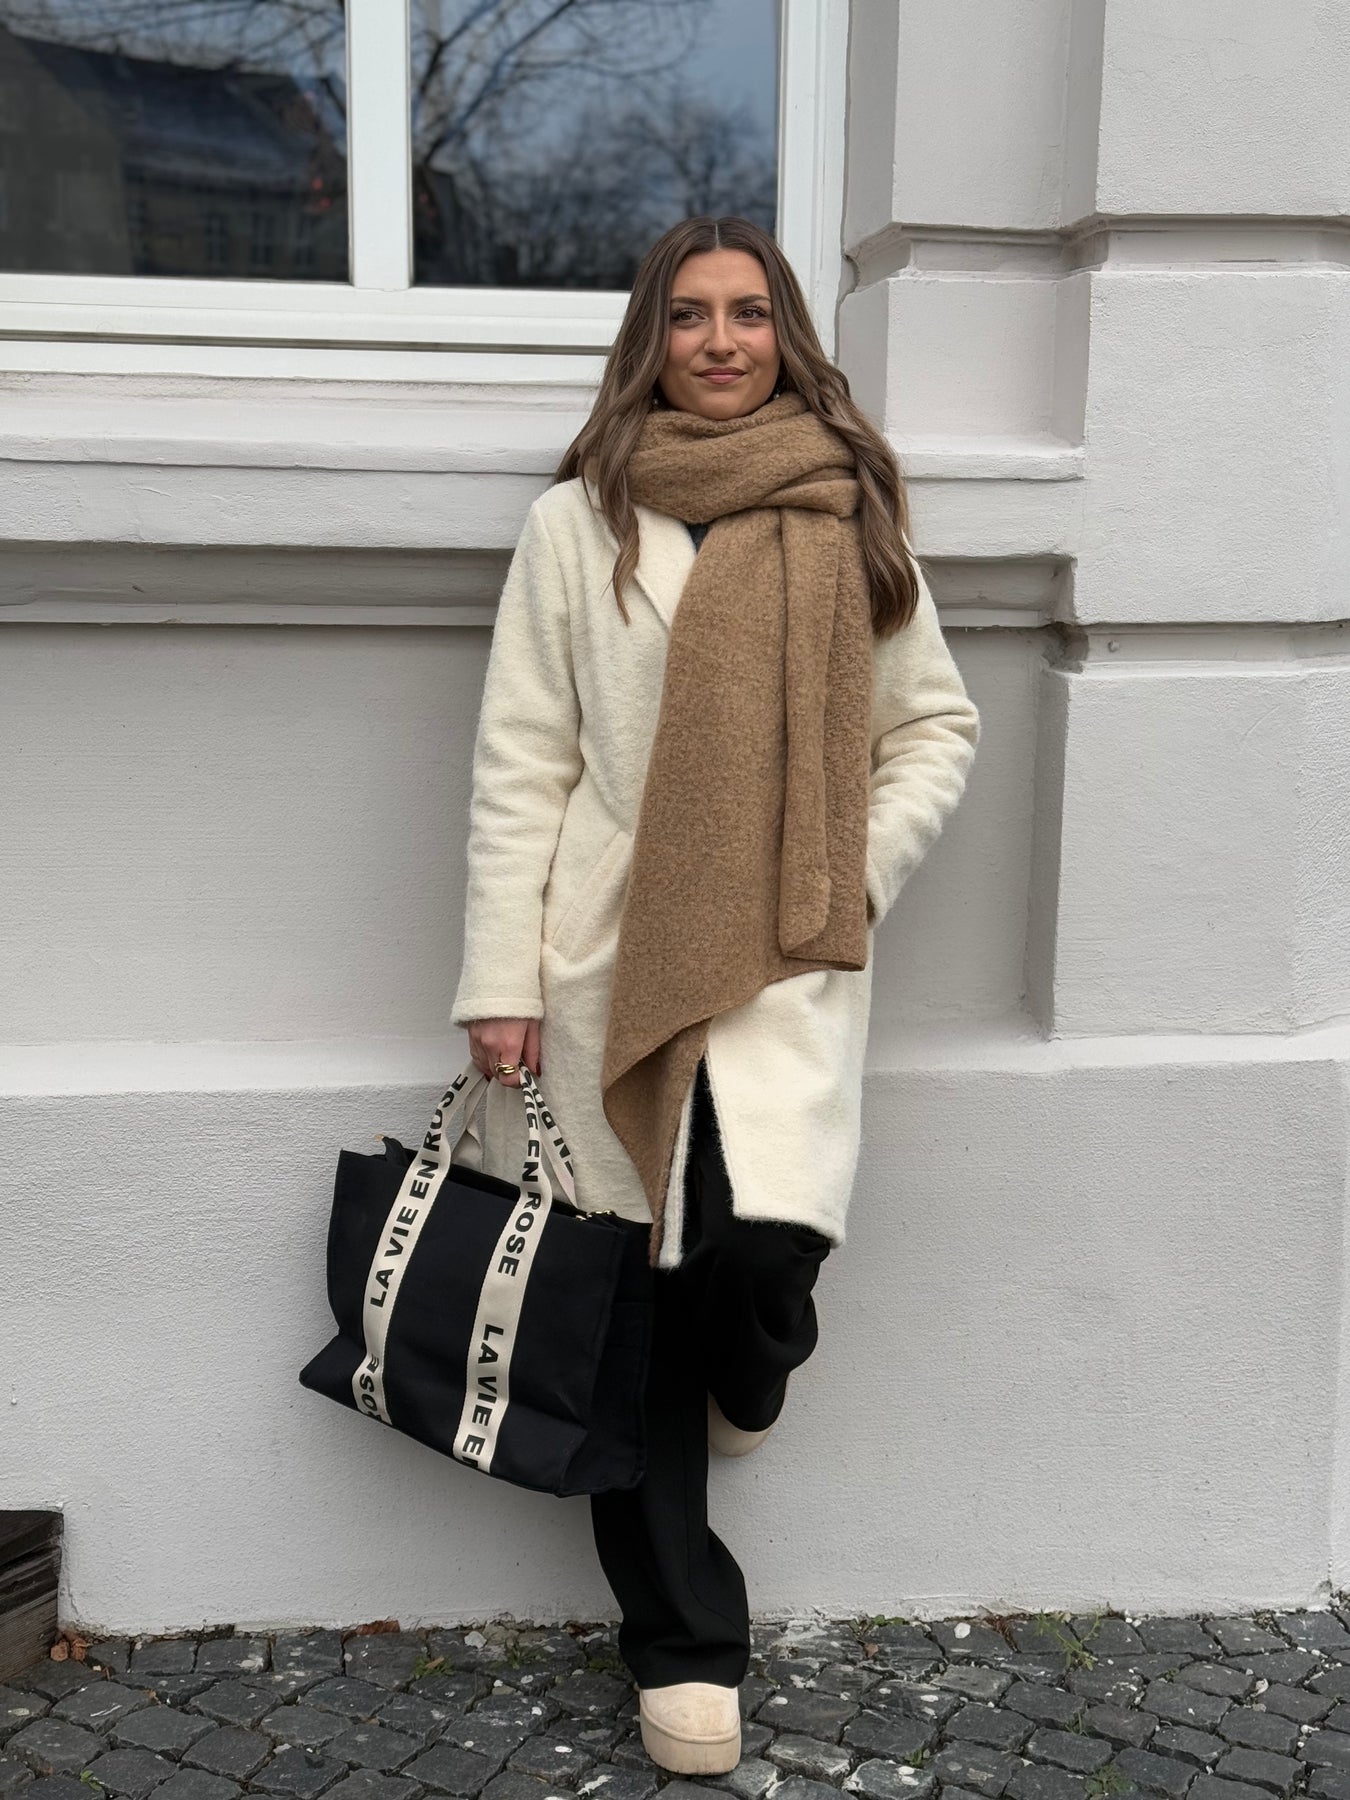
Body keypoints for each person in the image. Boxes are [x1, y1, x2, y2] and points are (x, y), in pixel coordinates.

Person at [449, 215, 980, 1776]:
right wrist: (499, 978)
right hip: (608, 963)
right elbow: (521, 761)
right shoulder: (578, 523)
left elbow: (932, 727)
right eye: (689, 316)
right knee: (629, 1312)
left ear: (785, 334)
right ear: (652, 340)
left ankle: (755, 1365)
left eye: (749, 313)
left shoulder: (847, 512)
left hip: (781, 955)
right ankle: (683, 1647)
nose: (722, 341)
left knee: (755, 1253)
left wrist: (841, 875)